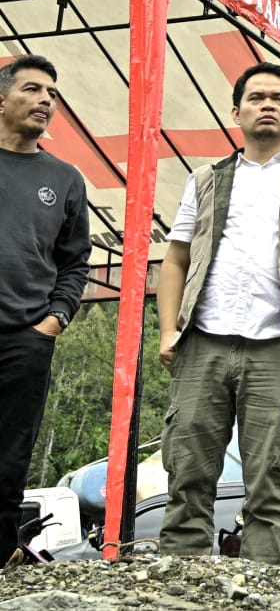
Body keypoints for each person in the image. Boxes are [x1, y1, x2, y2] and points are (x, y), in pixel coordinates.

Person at [157, 61, 280, 564]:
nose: (267, 105)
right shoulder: (205, 180)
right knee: (188, 473)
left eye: (278, 98)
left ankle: (263, 588)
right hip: (202, 343)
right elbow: (175, 258)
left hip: (277, 349)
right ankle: (184, 581)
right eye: (256, 97)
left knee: (271, 483)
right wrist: (167, 332)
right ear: (236, 112)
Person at [0, 55, 90, 565]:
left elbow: (75, 262)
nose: (46, 100)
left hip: (26, 339)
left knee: (10, 454)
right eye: (33, 89)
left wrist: (54, 320)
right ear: (2, 100)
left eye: (51, 93)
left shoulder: (65, 178)